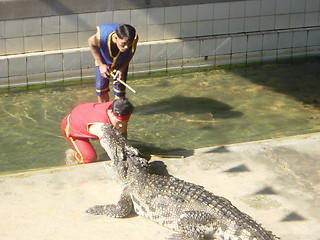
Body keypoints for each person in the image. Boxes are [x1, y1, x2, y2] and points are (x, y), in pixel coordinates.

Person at [61, 98, 134, 165]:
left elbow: (123, 132)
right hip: (72, 125)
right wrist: (117, 161)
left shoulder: (119, 107)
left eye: (125, 122)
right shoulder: (101, 126)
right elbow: (106, 143)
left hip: (84, 113)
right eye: (118, 122)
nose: (121, 125)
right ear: (111, 112)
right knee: (89, 158)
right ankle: (73, 156)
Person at [88, 23, 138, 102]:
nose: (126, 47)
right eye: (123, 43)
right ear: (115, 38)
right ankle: (103, 109)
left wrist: (122, 69)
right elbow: (91, 43)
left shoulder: (134, 38)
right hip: (103, 60)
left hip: (121, 61)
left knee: (120, 90)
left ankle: (118, 111)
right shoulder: (100, 37)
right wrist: (101, 64)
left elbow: (130, 54)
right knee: (101, 90)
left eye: (129, 44)